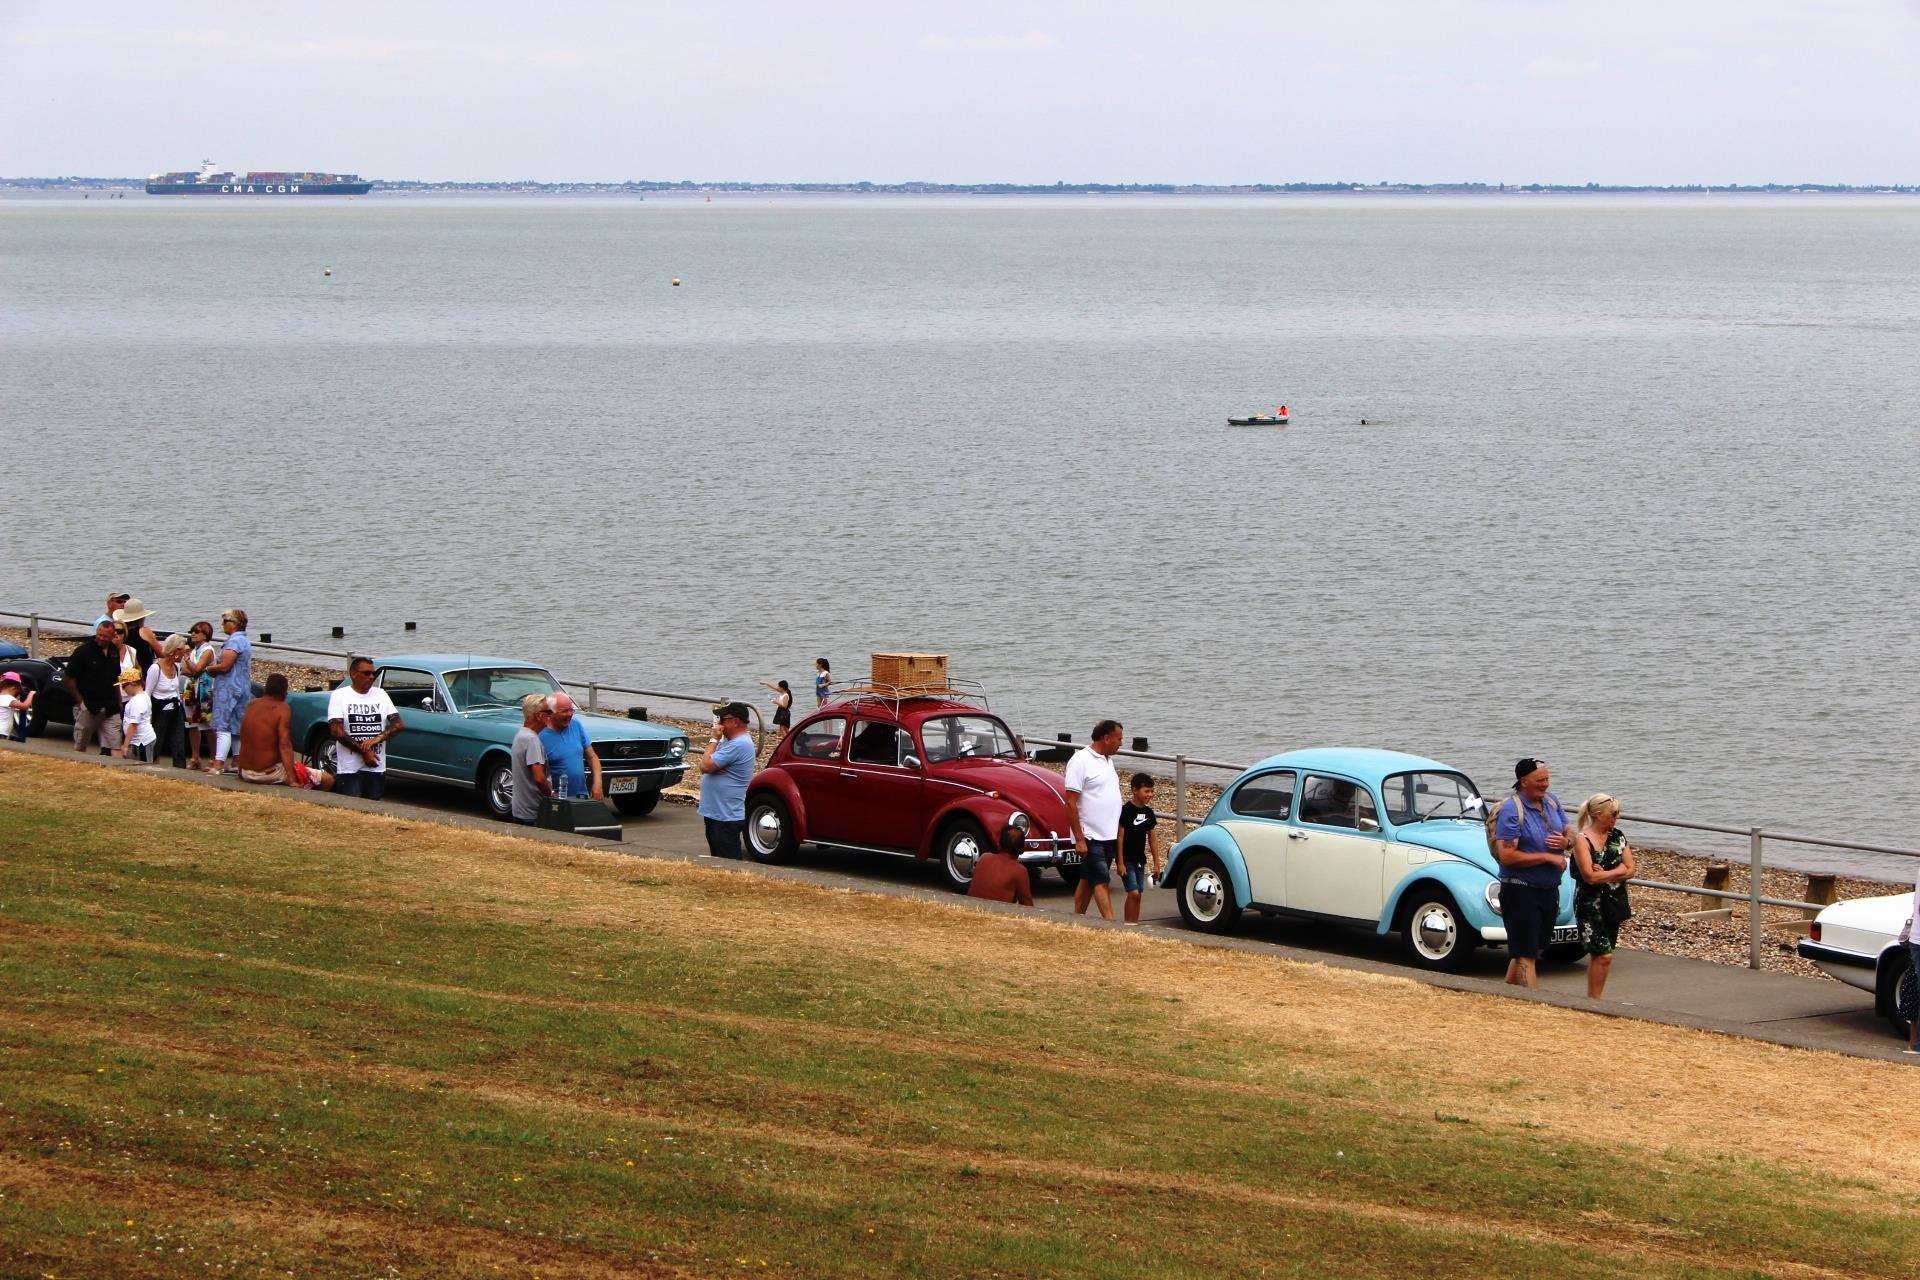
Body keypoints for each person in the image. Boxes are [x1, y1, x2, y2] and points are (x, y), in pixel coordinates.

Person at [1492, 757, 1571, 989]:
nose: (1546, 784)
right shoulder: (1511, 809)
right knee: (1526, 954)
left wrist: (1566, 842)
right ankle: (1535, 1003)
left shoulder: (1552, 802)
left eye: (1547, 779)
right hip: (1520, 890)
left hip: (1548, 889)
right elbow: (1507, 855)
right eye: (1540, 780)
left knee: (1530, 950)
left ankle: (1507, 993)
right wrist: (1547, 857)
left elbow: (1570, 833)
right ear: (1524, 781)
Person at [1570, 793, 1636, 999]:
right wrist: (1617, 871)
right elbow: (1589, 876)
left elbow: (1631, 868)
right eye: (1613, 814)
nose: (1616, 817)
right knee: (1603, 954)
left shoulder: (1617, 836)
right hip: (1590, 904)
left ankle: (1594, 998)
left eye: (1617, 813)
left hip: (1612, 903)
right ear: (1599, 815)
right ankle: (1594, 1000)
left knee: (1604, 956)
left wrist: (1607, 874)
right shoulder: (1583, 840)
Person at [1065, 719, 1125, 921]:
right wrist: (1080, 838)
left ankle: (1077, 918)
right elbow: (1071, 802)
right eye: (1119, 738)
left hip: (1108, 833)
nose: (1121, 743)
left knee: (1087, 879)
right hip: (1090, 834)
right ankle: (1112, 924)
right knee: (1101, 880)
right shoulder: (1080, 760)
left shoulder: (1108, 760)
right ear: (1106, 737)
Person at [237, 674, 334, 789]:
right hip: (267, 773)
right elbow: (285, 745)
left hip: (245, 772)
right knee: (328, 779)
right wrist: (291, 779)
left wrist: (240, 770)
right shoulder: (282, 708)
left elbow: (244, 738)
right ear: (283, 691)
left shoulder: (252, 704)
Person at [327, 656, 403, 800]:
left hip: (376, 765)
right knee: (351, 806)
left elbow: (398, 724)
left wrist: (376, 739)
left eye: (373, 673)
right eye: (366, 673)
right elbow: (336, 731)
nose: (371, 677)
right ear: (353, 674)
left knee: (372, 804)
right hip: (349, 767)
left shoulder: (381, 694)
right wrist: (364, 752)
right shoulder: (340, 696)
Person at [697, 701, 755, 858]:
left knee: (728, 863)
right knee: (717, 862)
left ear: (735, 721)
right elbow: (711, 762)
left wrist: (714, 739)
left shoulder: (740, 744)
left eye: (722, 720)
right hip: (717, 814)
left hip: (725, 817)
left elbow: (705, 766)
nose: (719, 725)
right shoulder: (730, 742)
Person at [63, 618, 125, 755]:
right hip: (89, 705)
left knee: (115, 744)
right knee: (81, 744)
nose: (101, 639)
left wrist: (119, 700)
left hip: (110, 705)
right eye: (99, 635)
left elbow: (116, 677)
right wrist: (80, 701)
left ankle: (117, 772)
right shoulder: (83, 651)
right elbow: (69, 678)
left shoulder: (114, 651)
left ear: (113, 636)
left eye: (105, 636)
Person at [205, 609, 254, 773]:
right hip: (242, 687)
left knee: (223, 725)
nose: (222, 625)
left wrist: (210, 668)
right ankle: (236, 761)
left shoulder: (234, 642)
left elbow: (225, 666)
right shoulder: (245, 640)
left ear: (235, 624)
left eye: (225, 621)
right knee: (235, 726)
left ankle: (218, 763)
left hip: (229, 688)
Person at [1117, 772, 1164, 924]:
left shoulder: (1149, 813)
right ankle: (1128, 924)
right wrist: (1120, 862)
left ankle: (1134, 924)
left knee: (1139, 894)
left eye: (1151, 791)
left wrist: (1156, 863)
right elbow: (1120, 837)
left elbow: (1153, 838)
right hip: (1127, 859)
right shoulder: (1126, 810)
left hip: (1139, 860)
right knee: (1133, 893)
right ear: (1135, 790)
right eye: (1146, 791)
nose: (1150, 794)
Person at [539, 692, 603, 801]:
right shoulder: (541, 735)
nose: (570, 714)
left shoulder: (576, 725)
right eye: (564, 711)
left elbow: (592, 757)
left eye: (571, 710)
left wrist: (597, 783)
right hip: (557, 800)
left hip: (581, 797)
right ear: (551, 712)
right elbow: (537, 775)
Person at [967, 820, 1035, 906]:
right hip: (995, 916)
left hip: (970, 910)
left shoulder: (984, 857)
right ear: (1022, 849)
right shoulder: (1019, 871)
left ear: (999, 844)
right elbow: (1027, 906)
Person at [145, 635, 189, 768]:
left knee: (179, 744)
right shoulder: (155, 669)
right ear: (175, 651)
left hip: (175, 710)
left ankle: (180, 770)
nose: (184, 654)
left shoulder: (176, 667)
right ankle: (150, 766)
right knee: (157, 743)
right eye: (183, 651)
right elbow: (148, 693)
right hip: (160, 711)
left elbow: (175, 691)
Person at [182, 621, 218, 769]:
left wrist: (188, 661)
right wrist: (191, 666)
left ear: (205, 634)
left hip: (205, 690)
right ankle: (195, 757)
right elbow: (186, 671)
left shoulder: (208, 650)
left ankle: (214, 758)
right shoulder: (194, 650)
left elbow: (196, 669)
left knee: (207, 723)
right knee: (192, 723)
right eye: (192, 631)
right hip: (191, 688)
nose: (193, 634)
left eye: (197, 632)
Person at [510, 692, 550, 824]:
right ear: (539, 716)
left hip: (519, 809)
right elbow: (539, 778)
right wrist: (550, 795)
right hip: (533, 812)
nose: (551, 715)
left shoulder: (520, 735)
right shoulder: (532, 740)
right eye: (548, 712)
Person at [111, 597, 159, 676]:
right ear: (142, 617)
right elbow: (162, 653)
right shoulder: (144, 631)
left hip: (125, 673)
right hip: (144, 674)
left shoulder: (120, 632)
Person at [116, 667, 156, 761]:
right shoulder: (144, 695)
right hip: (143, 739)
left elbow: (134, 725)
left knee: (142, 767)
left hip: (141, 742)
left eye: (124, 685)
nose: (123, 689)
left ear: (132, 683)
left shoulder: (137, 701)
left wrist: (125, 745)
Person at [0, 671, 35, 742]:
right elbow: (25, 706)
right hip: (1, 732)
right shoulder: (8, 699)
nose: (16, 695)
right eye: (16, 692)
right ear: (13, 688)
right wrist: (31, 694)